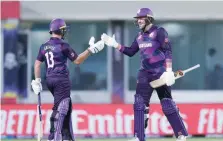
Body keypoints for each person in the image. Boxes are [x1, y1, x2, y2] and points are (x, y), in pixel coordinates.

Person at [101, 8, 188, 141]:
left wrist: (169, 71)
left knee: (167, 104)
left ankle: (181, 134)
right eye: (138, 18)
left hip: (160, 73)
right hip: (144, 74)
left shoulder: (159, 32)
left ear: (149, 18)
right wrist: (114, 44)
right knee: (139, 104)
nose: (139, 20)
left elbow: (168, 51)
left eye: (141, 18)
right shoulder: (139, 36)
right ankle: (139, 136)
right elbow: (130, 51)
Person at [31, 18, 104, 141]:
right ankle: (54, 137)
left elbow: (37, 64)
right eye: (63, 29)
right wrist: (90, 50)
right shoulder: (63, 45)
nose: (65, 32)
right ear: (59, 30)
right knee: (61, 107)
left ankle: (67, 137)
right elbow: (77, 60)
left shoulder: (44, 47)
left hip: (49, 80)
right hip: (61, 80)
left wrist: (37, 81)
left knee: (67, 108)